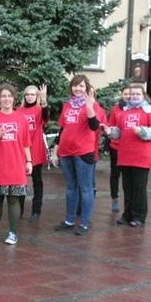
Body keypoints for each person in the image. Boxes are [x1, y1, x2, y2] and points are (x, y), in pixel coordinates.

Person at [51, 75, 103, 236]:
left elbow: (94, 126)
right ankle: (69, 220)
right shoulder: (67, 105)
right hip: (65, 152)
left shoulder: (92, 105)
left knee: (85, 188)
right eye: (75, 86)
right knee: (71, 187)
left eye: (81, 86)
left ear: (86, 88)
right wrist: (55, 151)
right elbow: (62, 129)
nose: (78, 89)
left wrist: (89, 107)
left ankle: (84, 223)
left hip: (83, 152)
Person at [0, 84, 32, 245]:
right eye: (3, 96)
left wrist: (29, 161)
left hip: (16, 164)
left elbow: (26, 144)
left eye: (9, 96)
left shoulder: (21, 119)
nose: (6, 99)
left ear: (14, 98)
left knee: (13, 200)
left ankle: (13, 233)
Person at [106, 83, 151, 227]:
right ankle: (127, 214)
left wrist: (142, 131)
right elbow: (118, 132)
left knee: (139, 187)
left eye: (137, 94)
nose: (134, 96)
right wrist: (110, 132)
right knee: (127, 187)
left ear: (143, 96)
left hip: (142, 157)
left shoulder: (149, 111)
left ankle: (139, 216)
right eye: (132, 94)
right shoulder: (124, 112)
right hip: (125, 155)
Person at [16, 84, 49, 222]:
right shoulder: (19, 110)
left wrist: (44, 100)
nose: (30, 97)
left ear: (36, 96)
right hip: (21, 150)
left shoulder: (39, 110)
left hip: (35, 149)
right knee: (21, 182)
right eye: (27, 94)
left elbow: (46, 116)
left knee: (37, 181)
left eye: (32, 94)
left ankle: (36, 211)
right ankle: (19, 210)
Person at [108, 85, 130, 213]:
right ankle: (114, 199)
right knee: (115, 174)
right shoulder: (115, 109)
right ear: (121, 95)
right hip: (116, 146)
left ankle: (128, 199)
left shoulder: (135, 109)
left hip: (129, 147)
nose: (127, 96)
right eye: (125, 94)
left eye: (129, 94)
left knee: (127, 175)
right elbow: (110, 127)